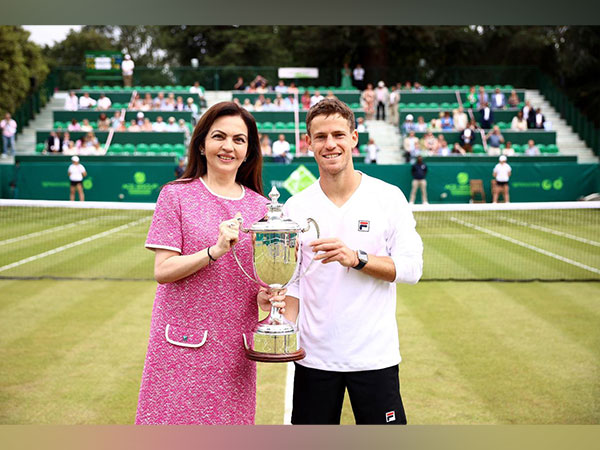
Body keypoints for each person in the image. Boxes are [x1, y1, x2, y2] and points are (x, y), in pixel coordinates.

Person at [266, 98, 423, 425]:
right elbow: (292, 283)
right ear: (308, 143)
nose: (330, 144)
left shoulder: (388, 196)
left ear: (354, 137)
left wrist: (357, 258)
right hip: (314, 358)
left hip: (374, 357)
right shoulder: (296, 206)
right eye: (320, 137)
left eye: (338, 134)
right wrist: (281, 328)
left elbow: (411, 269)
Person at [135, 101, 275, 425]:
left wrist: (268, 298)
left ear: (248, 150)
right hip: (179, 348)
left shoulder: (262, 207)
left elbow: (257, 284)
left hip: (234, 352)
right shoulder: (175, 195)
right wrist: (213, 251)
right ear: (202, 144)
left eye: (239, 140)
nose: (228, 146)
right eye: (219, 136)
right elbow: (163, 271)